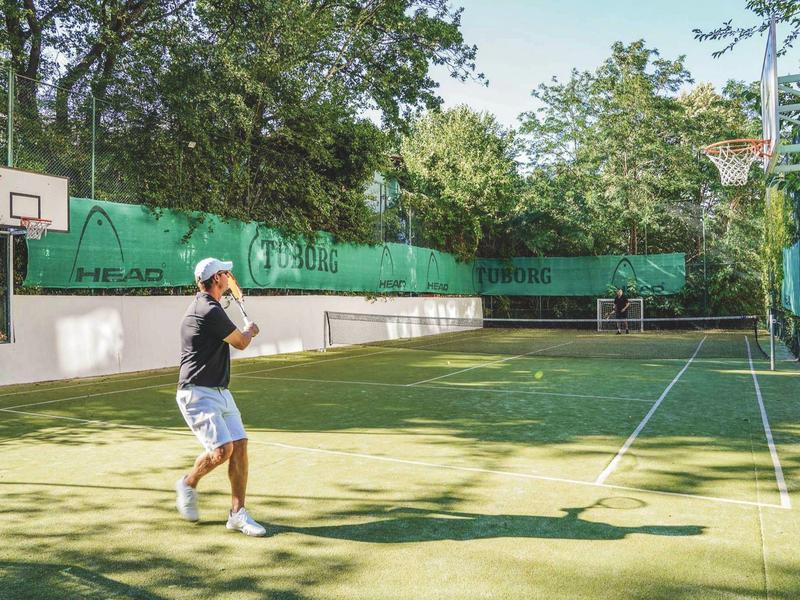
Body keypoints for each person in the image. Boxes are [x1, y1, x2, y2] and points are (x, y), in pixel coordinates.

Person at [174, 257, 266, 536]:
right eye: (226, 273)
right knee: (222, 450)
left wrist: (245, 333)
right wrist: (250, 331)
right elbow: (240, 341)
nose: (229, 277)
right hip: (196, 392)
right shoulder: (206, 308)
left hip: (219, 391)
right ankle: (188, 483)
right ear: (216, 279)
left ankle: (237, 515)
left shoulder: (210, 306)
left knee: (239, 445)